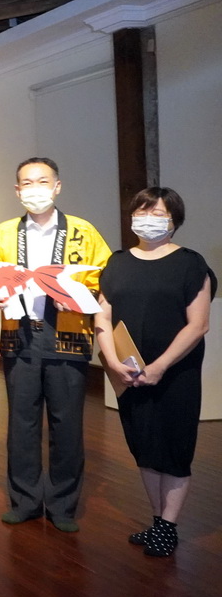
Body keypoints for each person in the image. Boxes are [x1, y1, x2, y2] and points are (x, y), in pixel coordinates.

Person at [0, 157, 110, 533]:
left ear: (57, 186)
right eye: (27, 183)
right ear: (17, 190)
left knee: (66, 423)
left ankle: (63, 505)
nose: (34, 189)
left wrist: (78, 295)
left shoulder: (84, 232)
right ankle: (23, 501)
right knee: (21, 423)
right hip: (19, 336)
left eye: (42, 181)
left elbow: (104, 278)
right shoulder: (4, 234)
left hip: (68, 335)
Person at [96, 187, 215, 557]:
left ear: (174, 220)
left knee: (175, 448)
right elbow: (102, 317)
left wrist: (161, 366)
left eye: (158, 213)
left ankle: (169, 526)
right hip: (129, 373)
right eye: (142, 211)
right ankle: (158, 521)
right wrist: (112, 361)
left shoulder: (190, 264)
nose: (148, 218)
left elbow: (198, 325)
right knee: (143, 446)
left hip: (176, 373)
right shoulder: (117, 262)